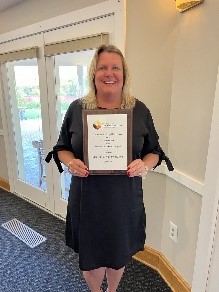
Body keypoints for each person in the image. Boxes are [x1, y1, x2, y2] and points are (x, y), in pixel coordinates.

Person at [46, 44, 173, 292]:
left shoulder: (139, 110)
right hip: (87, 199)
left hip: (123, 200)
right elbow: (61, 147)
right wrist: (71, 162)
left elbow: (155, 152)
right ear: (94, 73)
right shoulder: (77, 108)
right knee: (90, 261)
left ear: (124, 74)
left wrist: (144, 165)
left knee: (118, 255)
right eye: (102, 67)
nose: (109, 73)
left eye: (115, 67)